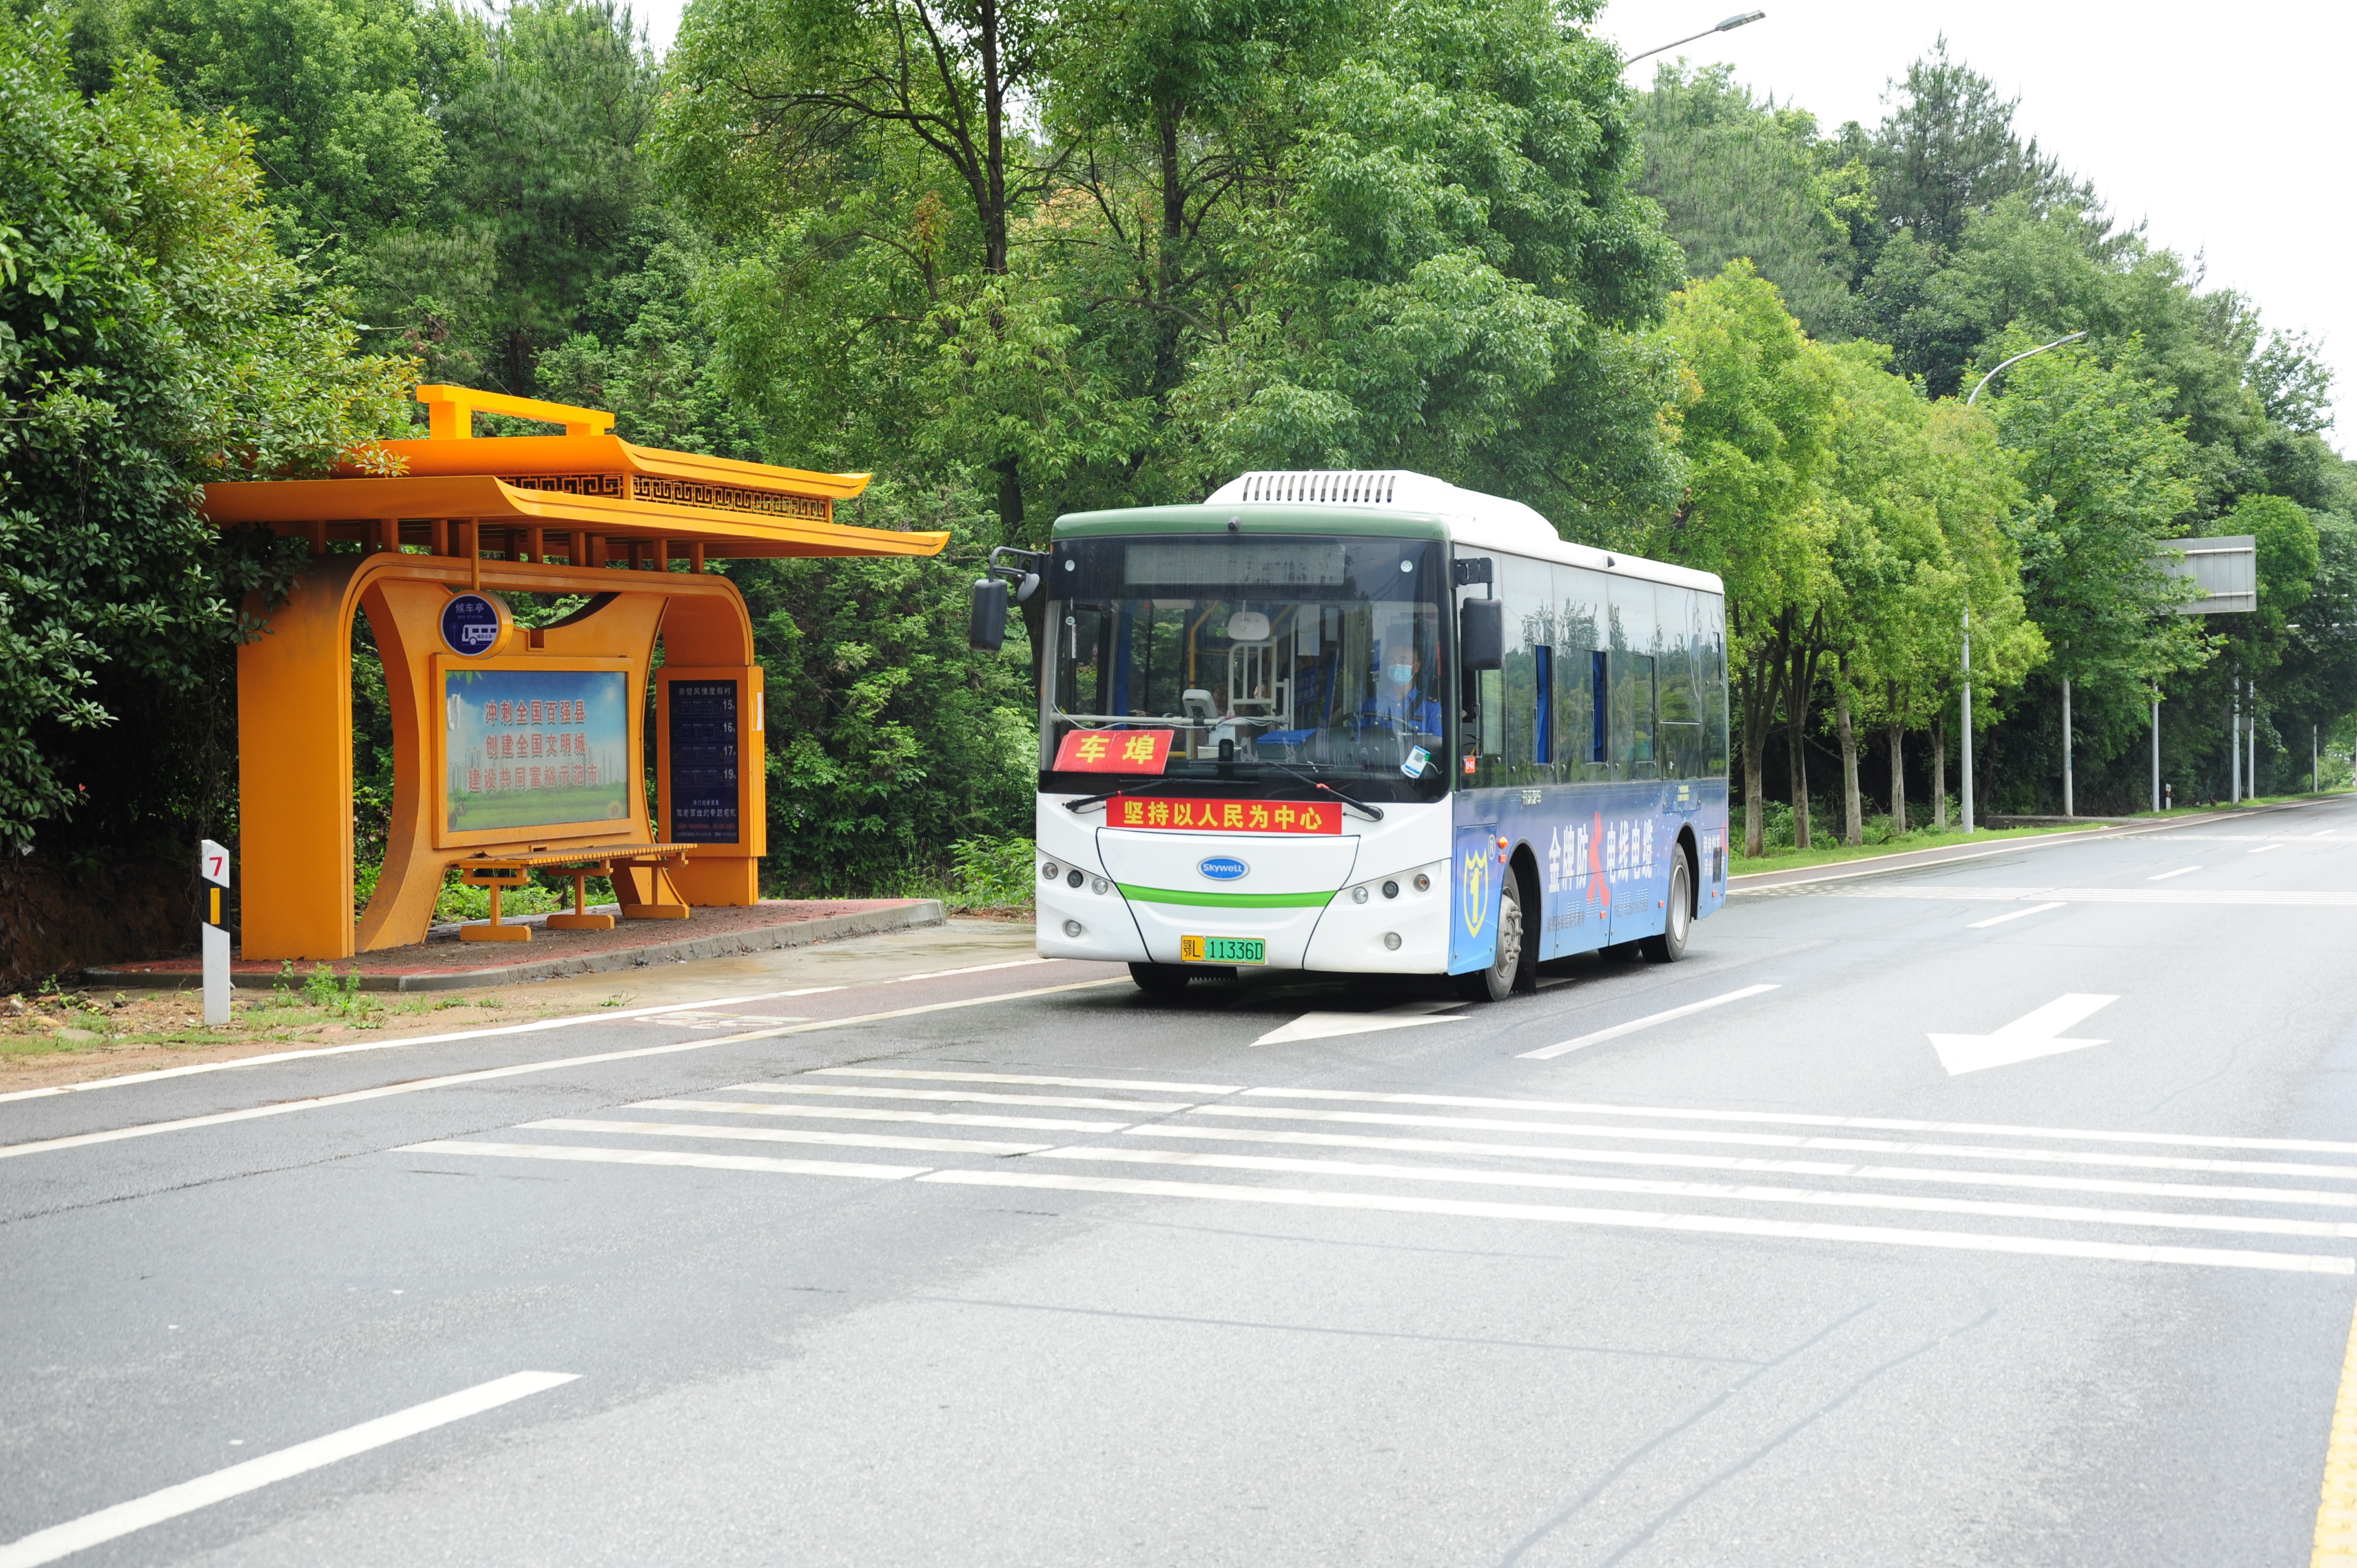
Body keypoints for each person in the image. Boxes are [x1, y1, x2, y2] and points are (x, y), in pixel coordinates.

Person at [1366, 643, 1442, 735]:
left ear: (1416, 667)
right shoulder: (1373, 704)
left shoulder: (1431, 708)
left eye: (1403, 661)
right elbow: (1356, 739)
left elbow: (1437, 745)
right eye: (1392, 661)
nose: (1397, 665)